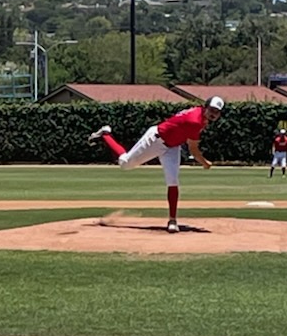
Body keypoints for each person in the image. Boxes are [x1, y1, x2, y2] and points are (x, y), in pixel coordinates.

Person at [88, 96, 225, 233]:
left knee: (173, 181)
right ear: (205, 107)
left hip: (172, 147)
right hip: (155, 140)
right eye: (212, 109)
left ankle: (172, 220)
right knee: (125, 163)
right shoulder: (195, 121)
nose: (214, 114)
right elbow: (193, 150)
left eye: (217, 112)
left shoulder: (200, 115)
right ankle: (105, 134)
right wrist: (204, 163)